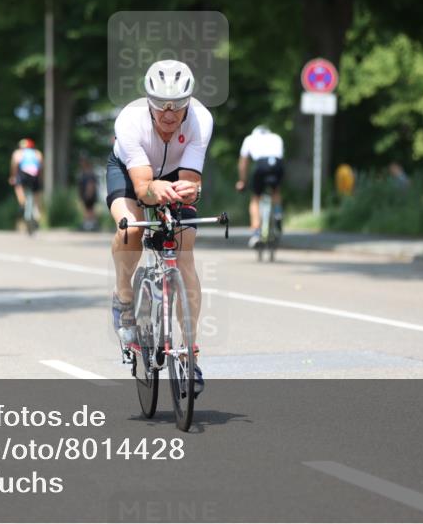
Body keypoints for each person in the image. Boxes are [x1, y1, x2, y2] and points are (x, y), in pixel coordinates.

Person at [108, 59, 212, 397]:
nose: (169, 114)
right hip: (130, 173)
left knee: (184, 251)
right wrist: (154, 190)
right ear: (148, 101)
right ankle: (124, 296)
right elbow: (142, 189)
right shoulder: (130, 120)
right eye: (161, 105)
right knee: (131, 230)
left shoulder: (201, 120)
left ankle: (190, 352)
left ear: (189, 102)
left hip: (174, 174)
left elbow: (191, 180)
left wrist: (189, 190)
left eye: (178, 105)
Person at [236, 125, 284, 247]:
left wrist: (242, 181)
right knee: (276, 191)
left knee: (255, 198)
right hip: (277, 164)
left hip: (261, 165)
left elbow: (243, 162)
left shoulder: (250, 139)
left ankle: (256, 232)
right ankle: (278, 214)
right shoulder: (276, 137)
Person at [9, 138, 43, 226]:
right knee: (36, 195)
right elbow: (41, 166)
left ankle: (23, 203)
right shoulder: (37, 153)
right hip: (34, 175)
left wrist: (13, 176)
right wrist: (40, 178)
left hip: (23, 174)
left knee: (18, 186)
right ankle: (37, 212)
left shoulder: (18, 153)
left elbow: (14, 165)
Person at [77, 156, 99, 231]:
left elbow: (91, 184)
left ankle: (90, 224)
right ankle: (89, 223)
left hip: (89, 194)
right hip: (85, 194)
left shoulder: (89, 173)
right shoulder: (83, 172)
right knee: (88, 209)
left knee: (89, 209)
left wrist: (88, 193)